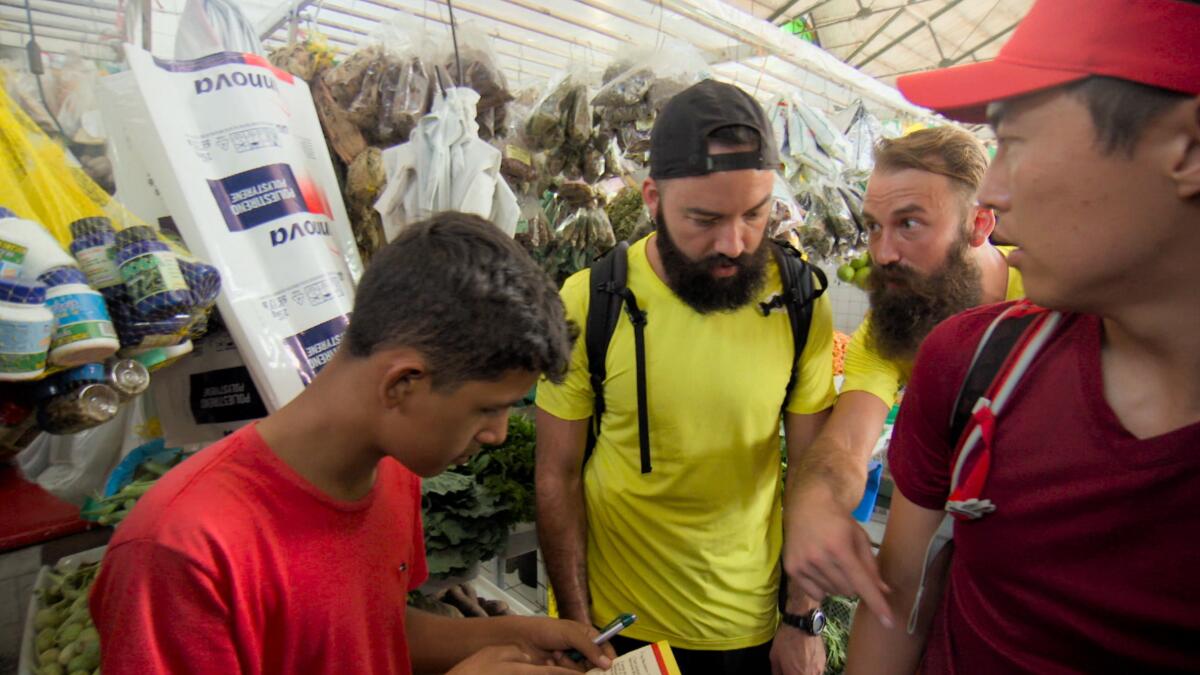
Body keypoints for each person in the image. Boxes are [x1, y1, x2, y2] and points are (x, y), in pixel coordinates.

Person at [89, 212, 616, 675]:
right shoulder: (182, 549)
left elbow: (371, 636)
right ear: (402, 384)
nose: (498, 434)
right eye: (487, 409)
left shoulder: (393, 474)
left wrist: (514, 637)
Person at [845, 0, 1200, 672]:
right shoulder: (976, 361)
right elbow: (899, 602)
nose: (994, 193)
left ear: (1188, 149)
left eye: (1013, 142)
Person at [535, 80, 837, 675]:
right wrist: (577, 622)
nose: (734, 243)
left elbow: (811, 472)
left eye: (756, 214)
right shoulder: (591, 300)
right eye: (704, 218)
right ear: (652, 198)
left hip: (748, 628)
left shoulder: (800, 302)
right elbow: (556, 475)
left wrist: (803, 617)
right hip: (619, 627)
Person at [781, 127, 1023, 624]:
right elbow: (847, 444)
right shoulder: (893, 326)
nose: (883, 253)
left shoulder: (1041, 306)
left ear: (979, 223)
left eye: (909, 224)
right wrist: (818, 506)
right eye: (873, 227)